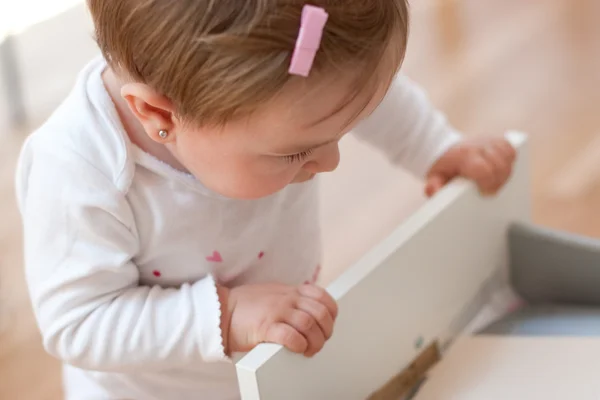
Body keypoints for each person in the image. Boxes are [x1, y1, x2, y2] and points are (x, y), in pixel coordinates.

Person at [15, 1, 516, 399]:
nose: (331, 162)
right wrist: (225, 316)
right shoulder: (79, 172)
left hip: (278, 368)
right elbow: (78, 323)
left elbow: (361, 97)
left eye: (339, 130)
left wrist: (436, 148)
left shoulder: (297, 91)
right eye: (297, 152)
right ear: (156, 113)